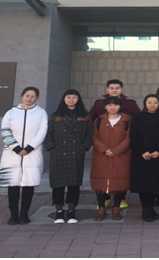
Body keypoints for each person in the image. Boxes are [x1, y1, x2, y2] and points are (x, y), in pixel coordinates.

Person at [0, 86, 48, 225]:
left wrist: (29, 148)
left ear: (36, 98)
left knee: (28, 184)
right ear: (22, 96)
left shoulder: (41, 113)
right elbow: (5, 130)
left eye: (33, 96)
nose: (29, 98)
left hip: (32, 153)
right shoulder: (11, 112)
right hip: (12, 154)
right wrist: (16, 147)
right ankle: (13, 214)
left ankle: (24, 213)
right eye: (27, 95)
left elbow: (42, 131)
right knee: (13, 185)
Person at [89, 79, 140, 209]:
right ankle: (105, 198)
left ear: (121, 89)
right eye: (112, 88)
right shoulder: (99, 104)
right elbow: (90, 121)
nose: (114, 90)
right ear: (107, 89)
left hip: (122, 144)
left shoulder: (130, 104)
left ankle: (121, 198)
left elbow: (138, 121)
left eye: (117, 88)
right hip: (103, 143)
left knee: (121, 173)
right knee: (103, 172)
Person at [44, 89, 93, 224]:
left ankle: (72, 209)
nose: (71, 100)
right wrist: (52, 147)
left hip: (75, 152)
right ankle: (59, 210)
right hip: (58, 153)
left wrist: (84, 147)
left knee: (74, 184)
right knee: (58, 184)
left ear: (78, 99)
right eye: (68, 97)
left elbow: (90, 133)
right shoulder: (56, 116)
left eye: (74, 97)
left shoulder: (85, 116)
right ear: (64, 99)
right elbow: (48, 134)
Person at [90, 96, 132, 221]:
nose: (112, 107)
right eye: (109, 105)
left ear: (120, 106)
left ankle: (116, 208)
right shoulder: (99, 120)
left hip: (121, 156)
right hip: (101, 156)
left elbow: (129, 138)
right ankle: (101, 208)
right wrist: (104, 149)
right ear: (105, 107)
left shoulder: (127, 121)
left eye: (115, 105)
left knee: (120, 182)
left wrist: (116, 150)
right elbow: (94, 137)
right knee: (100, 182)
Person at [130, 94, 159, 222]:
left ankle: (151, 207)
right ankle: (146, 209)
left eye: (155, 102)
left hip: (157, 156)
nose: (152, 105)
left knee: (155, 184)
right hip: (142, 156)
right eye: (149, 102)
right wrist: (142, 151)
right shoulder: (138, 117)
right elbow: (134, 136)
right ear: (145, 104)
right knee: (143, 184)